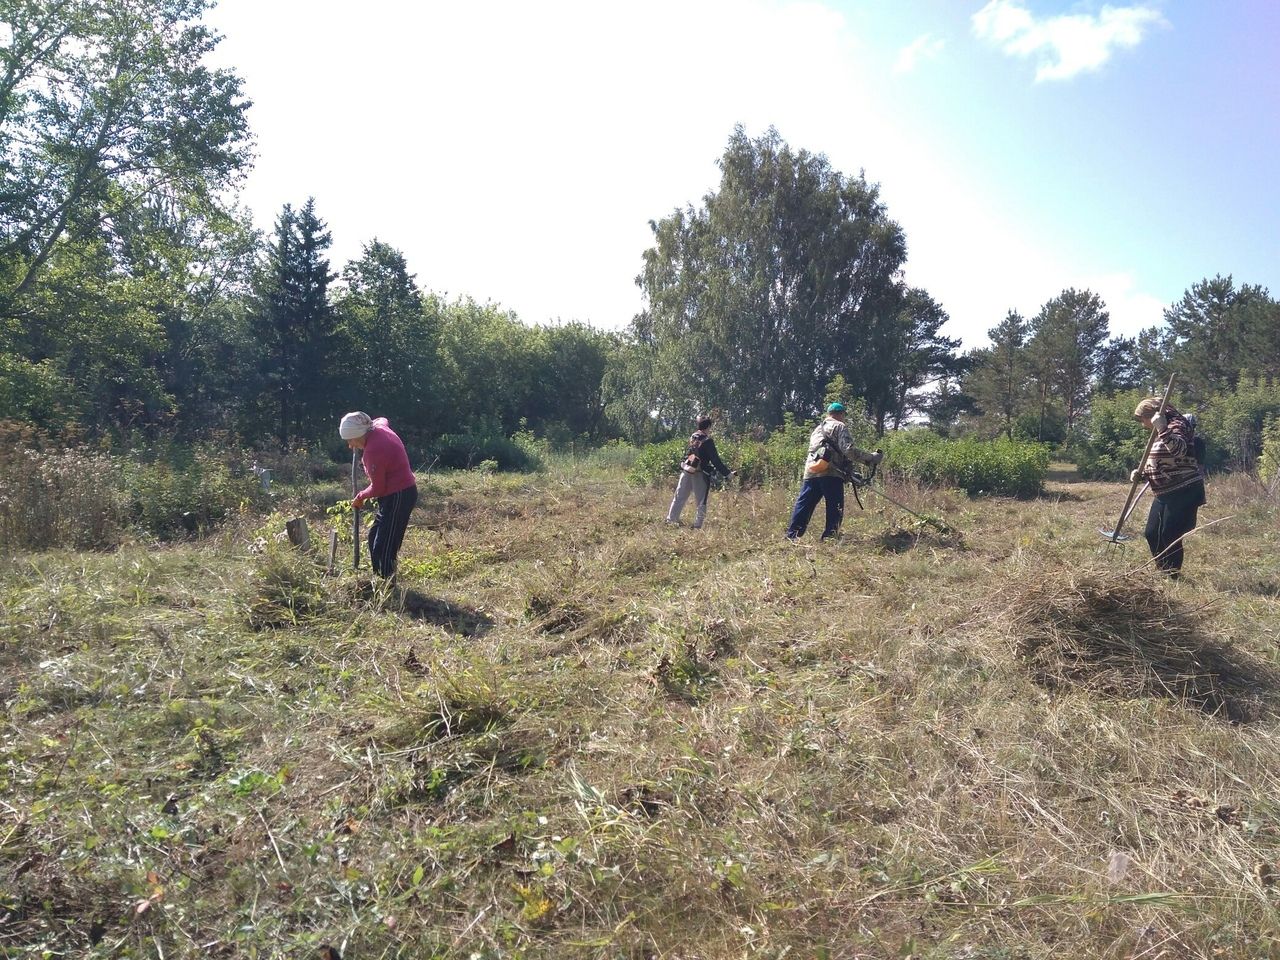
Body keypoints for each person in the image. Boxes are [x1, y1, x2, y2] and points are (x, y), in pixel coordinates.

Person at [1131, 397, 1206, 578]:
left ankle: (1172, 576)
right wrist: (1142, 474)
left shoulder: (1177, 425)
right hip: (1164, 492)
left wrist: (1162, 428)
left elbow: (1179, 450)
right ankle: (1163, 571)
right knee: (1151, 533)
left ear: (1152, 415)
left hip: (1184, 490)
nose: (1143, 424)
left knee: (1170, 534)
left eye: (1143, 419)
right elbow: (1164, 461)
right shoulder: (1159, 432)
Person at [786, 402, 883, 542]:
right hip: (830, 473)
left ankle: (792, 535)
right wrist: (870, 458)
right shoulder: (839, 426)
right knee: (835, 506)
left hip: (811, 471)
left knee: (804, 504)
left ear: (828, 414)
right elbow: (848, 450)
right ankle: (829, 537)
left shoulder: (817, 429)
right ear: (841, 414)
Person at [339, 411, 418, 578]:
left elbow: (378, 488)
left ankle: (388, 585)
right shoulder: (378, 427)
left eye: (350, 441)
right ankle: (378, 579)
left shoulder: (373, 451)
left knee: (384, 546)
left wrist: (360, 497)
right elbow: (383, 419)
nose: (350, 446)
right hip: (392, 496)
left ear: (358, 435)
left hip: (399, 495)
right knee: (374, 536)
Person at [666, 414, 733, 529]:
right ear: (708, 427)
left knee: (679, 496)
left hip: (687, 471)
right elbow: (715, 460)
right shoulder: (708, 440)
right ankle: (697, 526)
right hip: (700, 474)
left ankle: (671, 520)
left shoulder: (693, 437)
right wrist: (727, 473)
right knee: (701, 501)